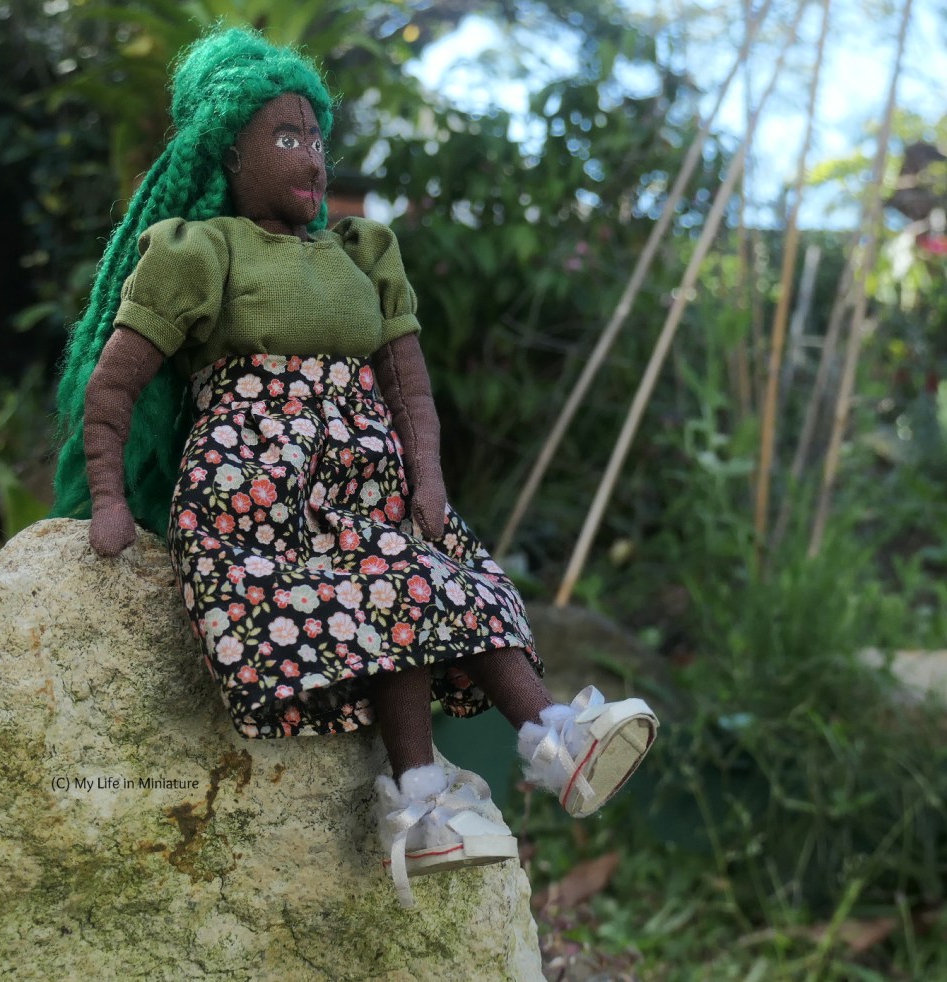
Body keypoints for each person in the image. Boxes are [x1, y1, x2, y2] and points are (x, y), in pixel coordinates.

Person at [51, 26, 658, 908]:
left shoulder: (361, 252)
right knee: (391, 593)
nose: (313, 155)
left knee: (453, 585)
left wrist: (429, 477)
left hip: (362, 500)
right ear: (229, 150)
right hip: (258, 507)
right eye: (287, 135)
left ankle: (534, 748)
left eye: (317, 134)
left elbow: (410, 387)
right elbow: (111, 390)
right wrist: (108, 499)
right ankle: (446, 787)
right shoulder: (201, 250)